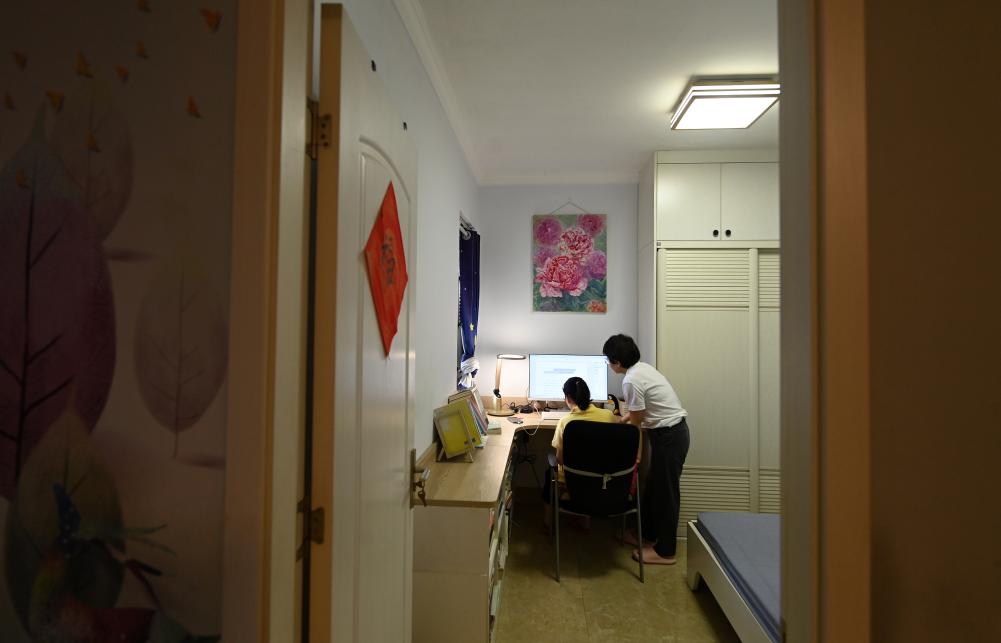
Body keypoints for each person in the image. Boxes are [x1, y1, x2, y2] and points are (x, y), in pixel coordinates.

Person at [603, 333, 689, 565]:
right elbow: (639, 411)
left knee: (666, 494)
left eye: (608, 361)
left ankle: (666, 552)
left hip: (669, 437)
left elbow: (637, 426)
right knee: (653, 488)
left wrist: (637, 455)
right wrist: (624, 418)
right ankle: (647, 535)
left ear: (617, 362)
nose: (608, 365)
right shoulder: (642, 369)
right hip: (668, 434)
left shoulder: (630, 381)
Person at [542, 376, 616, 530]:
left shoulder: (565, 422)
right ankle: (584, 518)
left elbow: (559, 459)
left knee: (550, 473)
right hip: (603, 477)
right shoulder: (608, 416)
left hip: (572, 479)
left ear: (568, 398)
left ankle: (548, 524)